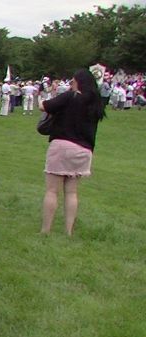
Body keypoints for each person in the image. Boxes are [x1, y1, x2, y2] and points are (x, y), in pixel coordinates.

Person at [38, 69, 105, 236]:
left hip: (62, 145)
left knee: (52, 191)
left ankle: (45, 230)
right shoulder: (95, 104)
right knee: (72, 192)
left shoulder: (70, 97)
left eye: (72, 81)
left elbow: (44, 106)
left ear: (78, 82)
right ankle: (68, 231)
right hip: (83, 150)